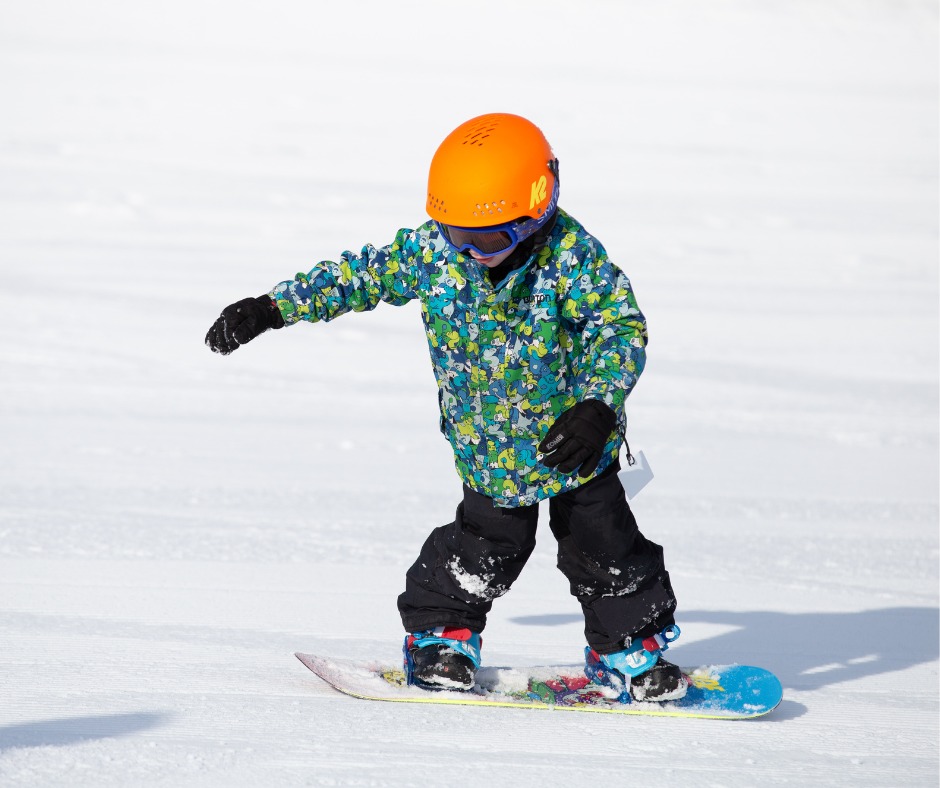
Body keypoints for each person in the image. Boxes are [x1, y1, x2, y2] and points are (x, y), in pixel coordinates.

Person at [205, 113, 686, 702]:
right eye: (457, 234)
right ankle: (441, 638)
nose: (471, 252)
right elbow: (359, 276)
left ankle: (629, 653)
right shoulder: (437, 254)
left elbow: (620, 328)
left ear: (539, 206)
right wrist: (272, 308)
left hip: (576, 446)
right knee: (484, 548)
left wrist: (599, 404)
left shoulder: (571, 257)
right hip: (490, 450)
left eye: (489, 239)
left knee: (606, 545)